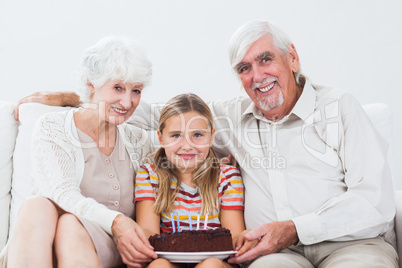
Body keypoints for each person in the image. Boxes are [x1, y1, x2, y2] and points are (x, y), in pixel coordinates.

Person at [14, 19, 399, 267]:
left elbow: (375, 201)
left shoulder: (340, 108)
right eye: (245, 68)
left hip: (351, 246)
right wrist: (70, 98)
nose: (258, 76)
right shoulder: (231, 115)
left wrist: (297, 227)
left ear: (293, 58)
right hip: (277, 255)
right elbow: (156, 114)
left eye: (266, 60)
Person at [2, 36, 158, 268]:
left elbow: (187, 121)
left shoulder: (138, 140)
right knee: (38, 206)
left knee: (71, 227)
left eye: (136, 91)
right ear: (91, 84)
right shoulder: (52, 127)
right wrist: (116, 220)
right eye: (118, 87)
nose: (127, 102)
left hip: (106, 245)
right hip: (44, 241)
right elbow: (62, 194)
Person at [134, 93, 256, 268]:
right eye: (176, 135)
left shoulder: (227, 177)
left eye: (197, 135)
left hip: (216, 262)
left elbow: (233, 235)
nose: (187, 145)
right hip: (168, 261)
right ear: (161, 138)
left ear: (211, 137)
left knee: (210, 265)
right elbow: (148, 233)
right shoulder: (149, 175)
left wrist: (245, 239)